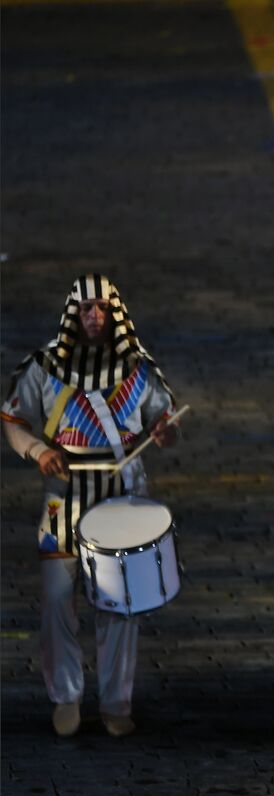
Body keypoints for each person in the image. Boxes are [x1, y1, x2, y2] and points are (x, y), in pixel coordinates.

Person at [2, 275, 179, 737]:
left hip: (121, 499)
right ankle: (66, 697)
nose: (94, 316)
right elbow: (13, 418)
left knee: (119, 605)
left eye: (102, 308)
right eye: (86, 309)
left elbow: (165, 417)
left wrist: (164, 432)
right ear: (73, 314)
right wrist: (38, 451)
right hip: (63, 503)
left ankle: (116, 702)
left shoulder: (137, 367)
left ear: (114, 313)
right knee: (57, 601)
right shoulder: (45, 366)